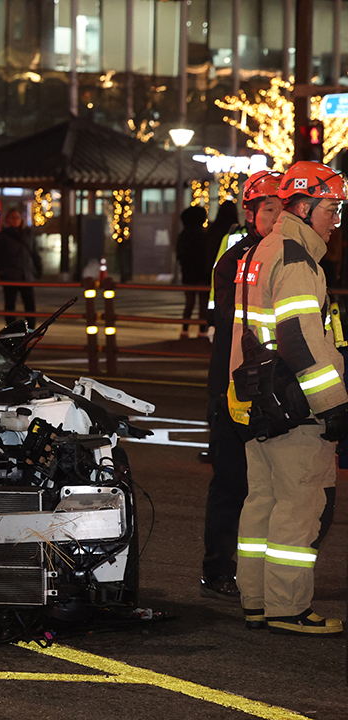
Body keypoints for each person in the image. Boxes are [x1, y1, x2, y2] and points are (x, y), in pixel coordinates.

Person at [228, 160, 348, 636]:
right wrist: (333, 404)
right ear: (304, 205)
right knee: (299, 505)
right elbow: (300, 339)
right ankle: (289, 608)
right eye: (332, 209)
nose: (336, 221)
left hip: (261, 399)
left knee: (263, 501)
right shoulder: (297, 257)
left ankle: (256, 602)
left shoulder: (261, 250)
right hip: (295, 406)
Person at [200, 170, 284, 602]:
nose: (277, 216)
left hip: (274, 391)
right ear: (251, 213)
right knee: (232, 483)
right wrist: (220, 393)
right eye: (269, 208)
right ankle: (217, 569)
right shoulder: (236, 260)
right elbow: (230, 329)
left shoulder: (291, 256)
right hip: (236, 388)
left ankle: (261, 575)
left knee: (271, 489)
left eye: (283, 208)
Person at [0, 208, 41, 326]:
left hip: (26, 275)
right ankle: (10, 329)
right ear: (7, 220)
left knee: (30, 304)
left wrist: (38, 269)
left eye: (17, 217)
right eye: (12, 217)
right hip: (10, 275)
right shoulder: (1, 237)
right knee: (10, 305)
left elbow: (34, 253)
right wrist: (1, 269)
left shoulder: (28, 235)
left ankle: (31, 329)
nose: (15, 220)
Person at [177, 205, 209, 337]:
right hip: (201, 273)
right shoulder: (203, 235)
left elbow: (180, 255)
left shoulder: (183, 235)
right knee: (202, 302)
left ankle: (185, 328)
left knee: (189, 302)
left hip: (188, 273)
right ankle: (202, 329)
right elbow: (206, 255)